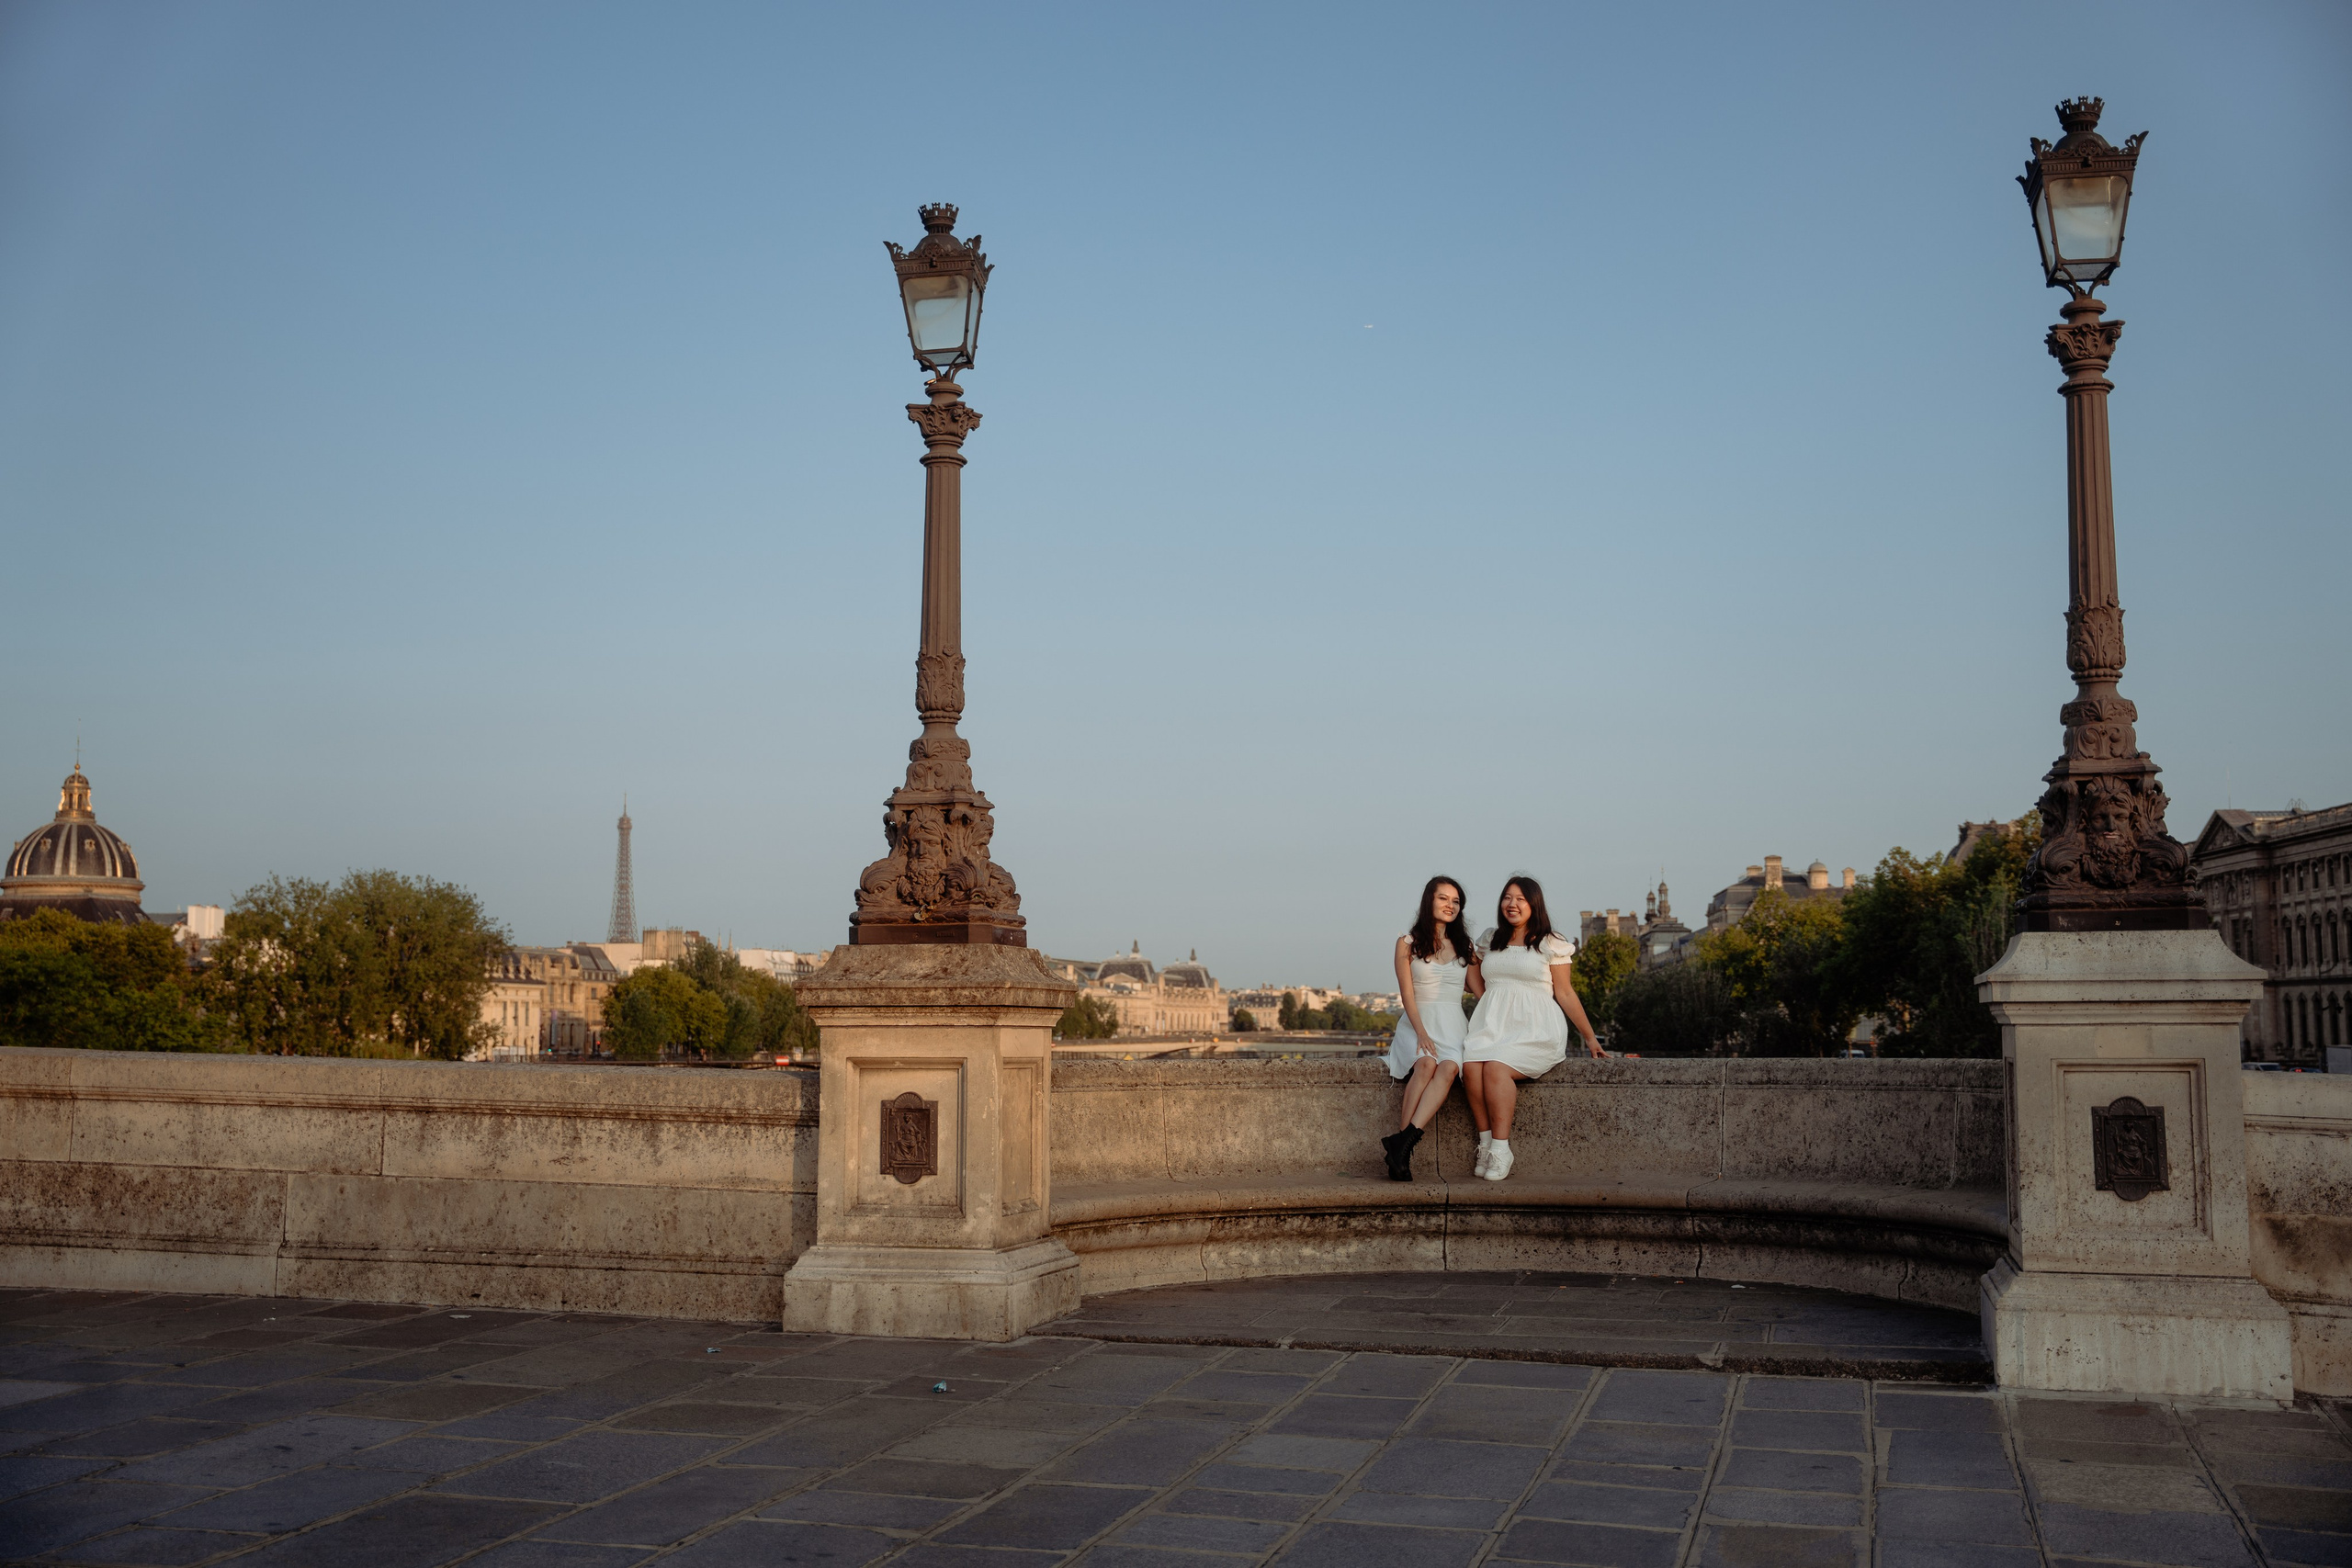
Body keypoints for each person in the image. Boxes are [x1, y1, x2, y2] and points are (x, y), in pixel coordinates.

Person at [1461, 874, 1602, 1182]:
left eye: (1520, 899)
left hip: (1535, 1026)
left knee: (1495, 1069)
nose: (1512, 904)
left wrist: (1589, 1037)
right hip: (1493, 1024)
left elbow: (1565, 993)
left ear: (1533, 904)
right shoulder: (1490, 939)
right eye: (1507, 898)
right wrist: (1490, 1002)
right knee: (1471, 1067)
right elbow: (1475, 982)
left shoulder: (1550, 943)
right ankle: (1485, 1144)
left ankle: (1501, 1148)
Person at [1379, 876, 1483, 1180]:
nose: (1450, 905)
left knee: (1449, 1067)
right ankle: (1401, 1151)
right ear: (1429, 901)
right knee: (1425, 1064)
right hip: (1417, 1022)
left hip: (1453, 1025)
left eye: (1456, 901)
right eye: (1443, 898)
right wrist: (1421, 1032)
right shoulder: (1407, 944)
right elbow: (1407, 993)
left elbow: (1482, 993)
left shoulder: (1465, 946)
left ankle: (1399, 1147)